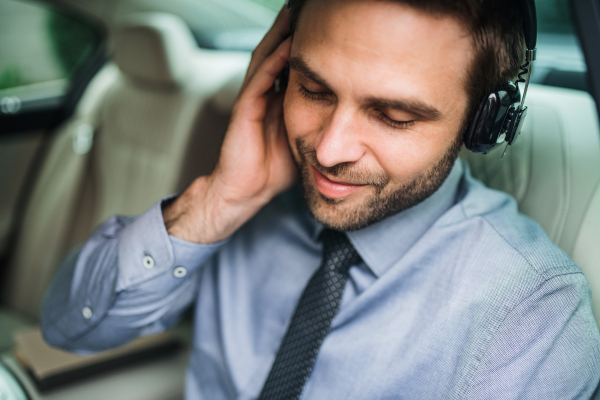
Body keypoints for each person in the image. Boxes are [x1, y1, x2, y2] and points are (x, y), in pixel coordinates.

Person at [41, 0, 600, 399]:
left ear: (483, 123)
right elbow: (69, 327)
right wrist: (218, 202)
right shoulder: (248, 210)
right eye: (313, 90)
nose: (329, 150)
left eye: (394, 116)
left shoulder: (532, 318)